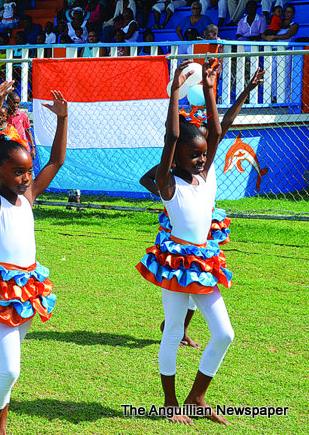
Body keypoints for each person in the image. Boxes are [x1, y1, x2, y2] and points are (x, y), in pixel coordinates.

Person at [0, 80, 67, 435]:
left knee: (6, 364)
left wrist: (63, 119)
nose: (26, 178)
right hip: (2, 289)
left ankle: (0, 427)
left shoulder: (29, 196)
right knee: (10, 368)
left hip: (29, 287)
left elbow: (56, 160)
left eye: (27, 171)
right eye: (18, 171)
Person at [136, 60, 235, 425]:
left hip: (204, 263)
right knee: (174, 330)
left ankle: (198, 397)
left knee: (224, 333)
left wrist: (209, 89)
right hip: (176, 263)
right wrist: (174, 93)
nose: (202, 159)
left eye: (203, 154)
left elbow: (216, 130)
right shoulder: (168, 185)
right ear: (175, 159)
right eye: (194, 155)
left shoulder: (205, 176)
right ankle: (170, 402)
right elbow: (171, 137)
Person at [139, 68, 264, 350]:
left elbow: (225, 124)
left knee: (199, 275)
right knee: (190, 273)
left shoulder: (206, 148)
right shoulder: (180, 156)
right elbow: (151, 175)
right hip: (185, 212)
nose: (203, 153)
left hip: (206, 216)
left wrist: (245, 90)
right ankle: (175, 328)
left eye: (205, 149)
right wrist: (170, 192)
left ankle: (178, 328)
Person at [5, 92, 35, 159]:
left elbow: (28, 131)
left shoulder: (23, 115)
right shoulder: (4, 116)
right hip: (9, 147)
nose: (16, 105)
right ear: (7, 102)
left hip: (23, 146)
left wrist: (32, 147)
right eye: (13, 102)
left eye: (17, 103)